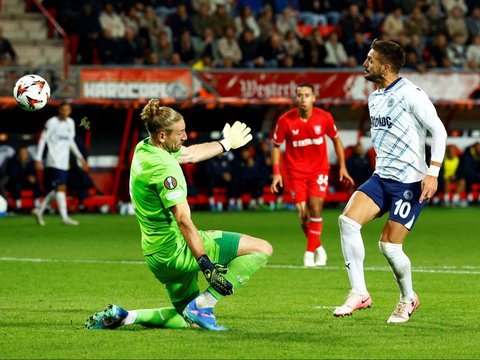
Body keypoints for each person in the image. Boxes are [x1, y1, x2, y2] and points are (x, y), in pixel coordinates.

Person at [85, 101, 273, 331]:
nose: (185, 137)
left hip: (156, 256)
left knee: (187, 320)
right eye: (181, 133)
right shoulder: (165, 168)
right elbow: (183, 220)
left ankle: (126, 316)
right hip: (177, 249)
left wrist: (226, 143)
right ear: (163, 136)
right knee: (261, 249)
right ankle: (204, 305)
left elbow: (191, 153)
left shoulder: (144, 148)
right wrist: (205, 263)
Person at [333, 39, 448, 323]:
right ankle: (359, 291)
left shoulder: (411, 94)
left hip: (409, 183)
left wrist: (432, 173)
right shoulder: (375, 97)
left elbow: (440, 132)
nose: (365, 63)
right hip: (381, 178)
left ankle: (408, 298)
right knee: (347, 222)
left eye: (370, 59)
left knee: (389, 247)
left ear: (385, 67)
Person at [271, 82, 354, 267]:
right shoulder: (285, 120)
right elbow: (276, 146)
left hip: (318, 170)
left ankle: (309, 254)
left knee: (316, 207)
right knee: (303, 216)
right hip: (295, 173)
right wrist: (277, 173)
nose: (303, 99)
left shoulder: (324, 117)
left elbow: (336, 140)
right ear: (296, 98)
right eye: (299, 95)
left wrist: (342, 166)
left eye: (307, 95)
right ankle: (318, 247)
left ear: (313, 98)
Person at [32, 103, 88, 226]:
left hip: (63, 161)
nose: (65, 112)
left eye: (67, 109)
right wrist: (38, 158)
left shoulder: (70, 123)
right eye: (63, 109)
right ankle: (64, 217)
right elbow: (43, 139)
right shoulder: (51, 122)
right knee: (61, 187)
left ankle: (39, 209)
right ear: (59, 110)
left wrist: (81, 158)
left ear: (70, 111)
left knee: (58, 189)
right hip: (53, 160)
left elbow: (71, 142)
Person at [7, 146, 42, 211]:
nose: (24, 154)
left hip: (28, 183)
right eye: (22, 152)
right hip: (18, 182)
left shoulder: (31, 162)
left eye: (25, 152)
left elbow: (33, 173)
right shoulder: (14, 162)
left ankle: (37, 205)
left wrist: (32, 177)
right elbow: (13, 175)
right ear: (19, 153)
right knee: (16, 185)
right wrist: (26, 178)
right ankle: (18, 206)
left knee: (35, 183)